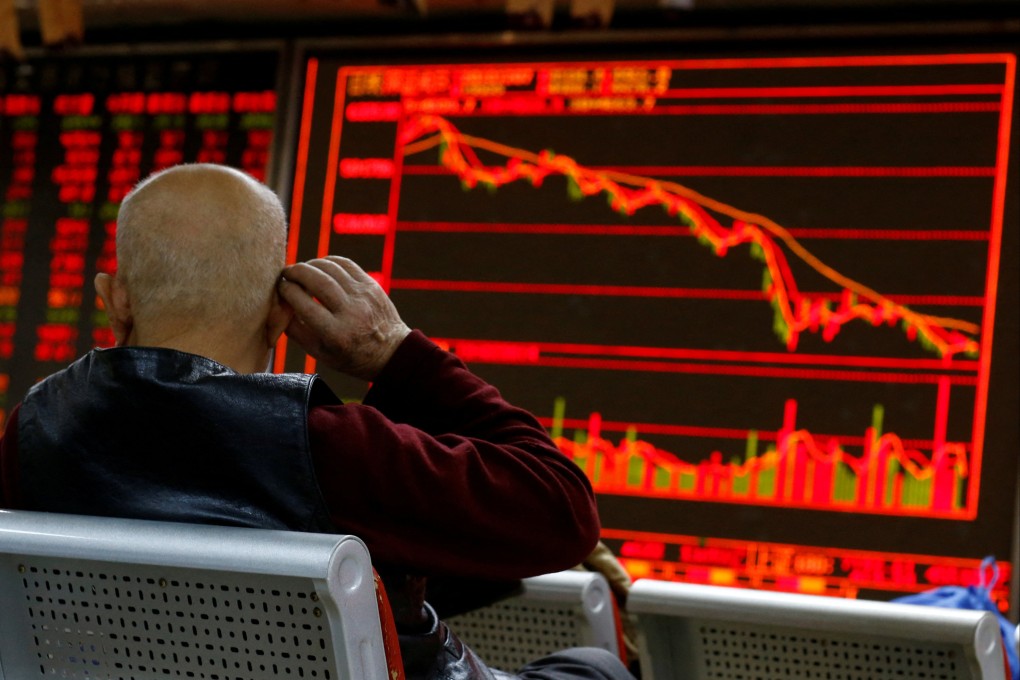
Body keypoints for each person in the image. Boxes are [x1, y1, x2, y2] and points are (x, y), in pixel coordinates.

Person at [0, 164, 634, 680]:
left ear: (114, 301)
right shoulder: (322, 446)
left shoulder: (32, 431)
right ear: (281, 315)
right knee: (594, 665)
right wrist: (397, 352)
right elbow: (563, 513)